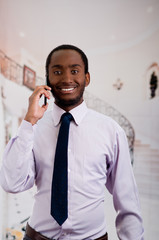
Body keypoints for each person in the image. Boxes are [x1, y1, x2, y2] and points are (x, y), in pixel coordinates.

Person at [0, 44, 144, 240]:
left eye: (74, 71)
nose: (67, 78)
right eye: (57, 71)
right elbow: (11, 183)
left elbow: (127, 200)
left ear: (87, 78)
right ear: (48, 80)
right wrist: (29, 122)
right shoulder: (34, 128)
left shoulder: (111, 131)